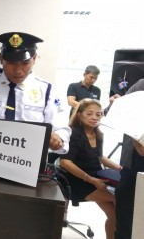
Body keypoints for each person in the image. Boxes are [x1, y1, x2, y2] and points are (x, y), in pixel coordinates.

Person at [0, 32, 70, 154]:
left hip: (29, 164)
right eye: (11, 63)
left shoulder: (47, 91)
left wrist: (58, 139)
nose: (18, 70)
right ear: (1, 59)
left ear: (34, 58)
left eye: (25, 63)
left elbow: (62, 130)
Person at [60, 99, 121, 239]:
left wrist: (118, 167)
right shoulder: (74, 133)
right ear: (80, 114)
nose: (95, 117)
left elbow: (99, 157)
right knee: (120, 201)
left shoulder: (98, 134)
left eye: (98, 115)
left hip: (96, 179)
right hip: (77, 180)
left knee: (116, 217)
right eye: (90, 114)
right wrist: (92, 180)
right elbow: (65, 162)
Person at [113, 78, 144, 239]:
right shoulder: (141, 85)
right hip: (133, 160)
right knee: (125, 205)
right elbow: (117, 113)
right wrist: (116, 104)